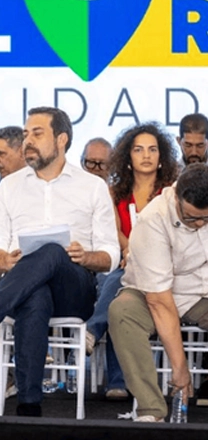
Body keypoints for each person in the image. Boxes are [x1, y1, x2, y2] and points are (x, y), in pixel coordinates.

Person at [0, 107, 119, 417]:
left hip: (74, 288)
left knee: (52, 251)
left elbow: (111, 255)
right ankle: (29, 405)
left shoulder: (92, 186)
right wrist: (5, 260)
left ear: (61, 139)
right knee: (35, 294)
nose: (28, 141)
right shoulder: (9, 186)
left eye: (37, 133)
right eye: (25, 134)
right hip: (20, 285)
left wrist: (87, 257)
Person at [108, 164, 208, 422]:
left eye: (205, 219)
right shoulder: (153, 218)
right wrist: (180, 368)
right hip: (152, 294)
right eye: (191, 218)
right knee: (122, 312)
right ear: (176, 198)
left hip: (202, 292)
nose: (199, 224)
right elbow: (159, 301)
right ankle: (151, 409)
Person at [86, 123, 178, 401]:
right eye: (138, 150)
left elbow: (174, 235)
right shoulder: (114, 192)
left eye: (152, 150)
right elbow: (113, 232)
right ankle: (117, 380)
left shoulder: (172, 193)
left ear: (161, 157)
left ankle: (93, 331)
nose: (146, 155)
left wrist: (139, 254)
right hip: (123, 264)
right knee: (120, 291)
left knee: (121, 285)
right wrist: (130, 251)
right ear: (128, 157)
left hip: (162, 268)